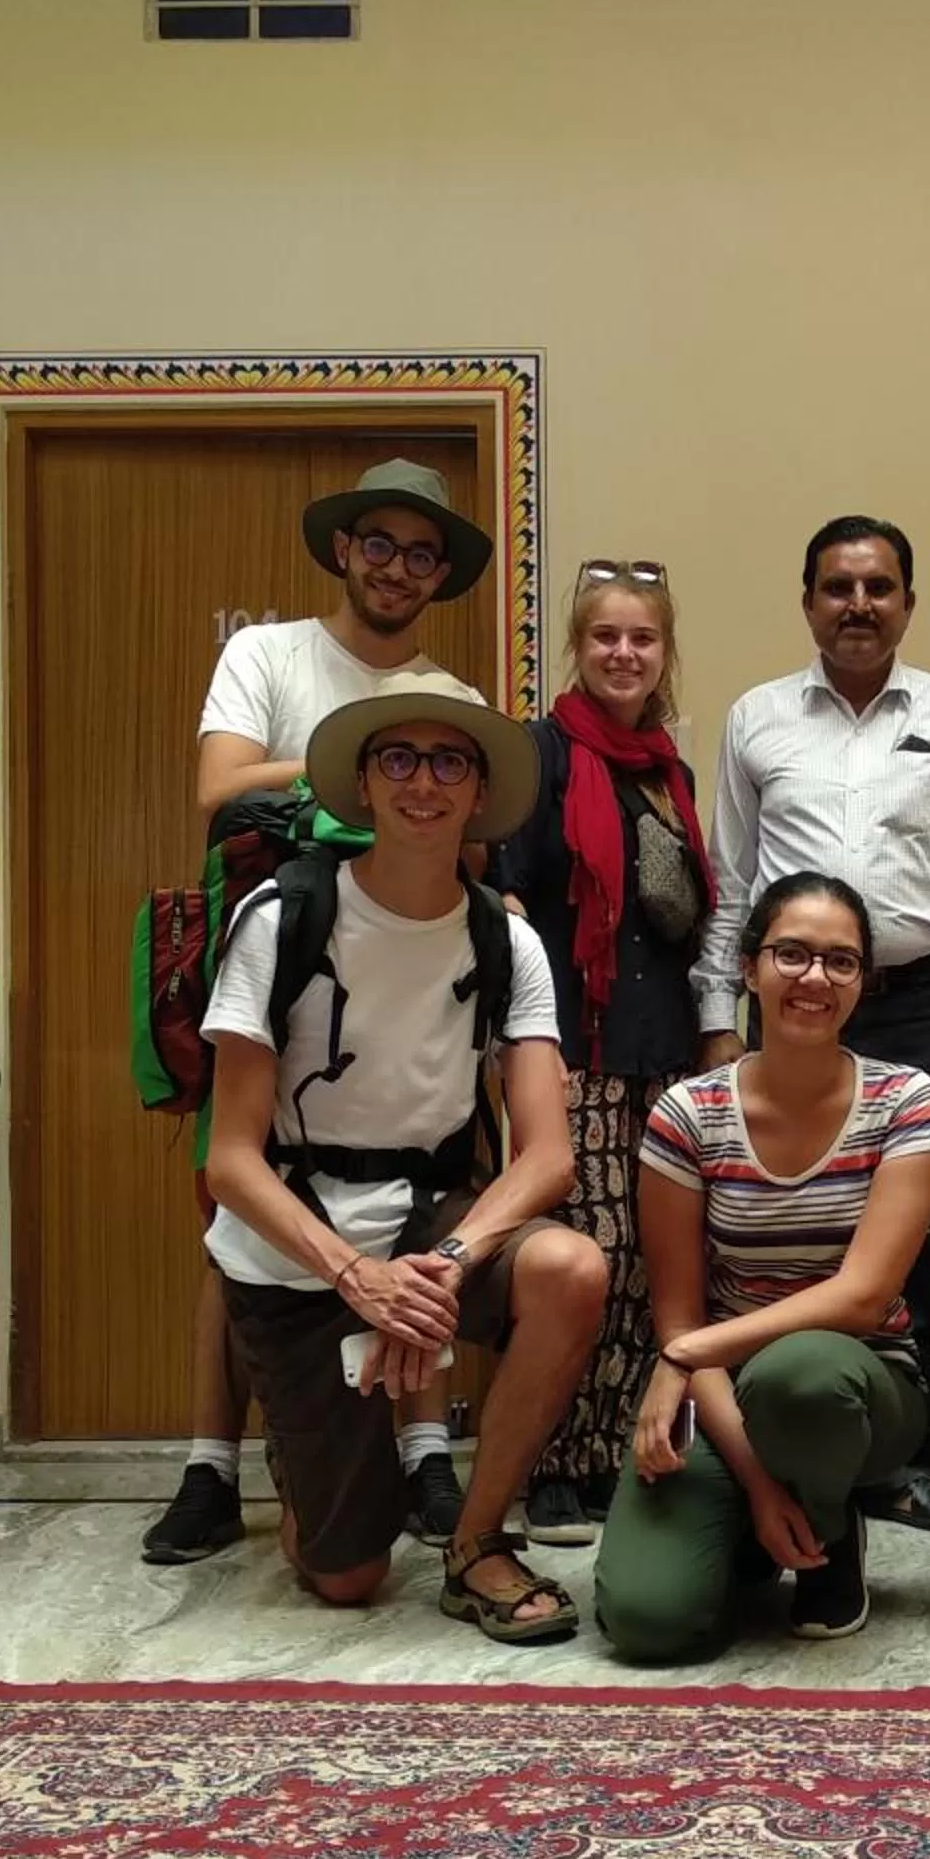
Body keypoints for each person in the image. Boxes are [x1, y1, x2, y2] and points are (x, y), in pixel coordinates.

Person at [169, 665, 607, 1643]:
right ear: (362, 783)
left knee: (570, 1267)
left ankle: (477, 1543)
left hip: (425, 1217)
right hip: (299, 1240)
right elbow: (231, 1160)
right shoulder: (282, 921)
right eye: (398, 757)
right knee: (346, 1578)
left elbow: (547, 1158)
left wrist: (442, 1270)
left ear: (479, 789)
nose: (424, 782)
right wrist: (358, 1279)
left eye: (449, 759)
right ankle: (312, 1449)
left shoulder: (507, 943)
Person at [143, 457, 491, 1566]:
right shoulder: (268, 653)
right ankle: (211, 1466)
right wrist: (362, 765)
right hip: (270, 967)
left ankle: (425, 1448)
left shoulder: (457, 699)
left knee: (425, 1200)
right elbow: (216, 788)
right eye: (379, 543)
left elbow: (471, 847)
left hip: (411, 980)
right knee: (237, 1217)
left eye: (421, 551)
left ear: (443, 573)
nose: (397, 567)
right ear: (343, 548)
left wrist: (373, 775)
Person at [691, 517, 930, 1536]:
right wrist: (715, 1014)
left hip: (920, 1000)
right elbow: (731, 881)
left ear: (908, 602)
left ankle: (903, 1462)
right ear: (808, 601)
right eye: (838, 587)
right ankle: (760, 1427)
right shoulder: (757, 718)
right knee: (773, 1214)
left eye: (879, 587)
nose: (859, 605)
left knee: (907, 1233)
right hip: (788, 1001)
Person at [599, 874, 930, 1660]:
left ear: (865, 982)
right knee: (652, 1623)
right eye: (791, 954)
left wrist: (685, 1354)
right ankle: (765, 1521)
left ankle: (828, 1526)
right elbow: (682, 1319)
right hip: (723, 1388)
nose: (815, 978)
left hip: (858, 1389)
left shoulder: (905, 1101)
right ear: (750, 969)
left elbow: (862, 1298)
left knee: (803, 1376)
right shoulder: (687, 1115)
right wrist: (753, 1485)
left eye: (841, 961)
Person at [486, 560, 713, 1546]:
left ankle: (630, 1448)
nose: (625, 653)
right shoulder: (539, 756)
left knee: (657, 1263)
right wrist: (535, 1048)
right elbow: (511, 908)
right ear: (576, 648)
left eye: (643, 638)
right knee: (588, 1255)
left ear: (665, 655)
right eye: (605, 637)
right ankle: (550, 1462)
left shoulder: (670, 770)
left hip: (661, 1047)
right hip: (571, 1048)